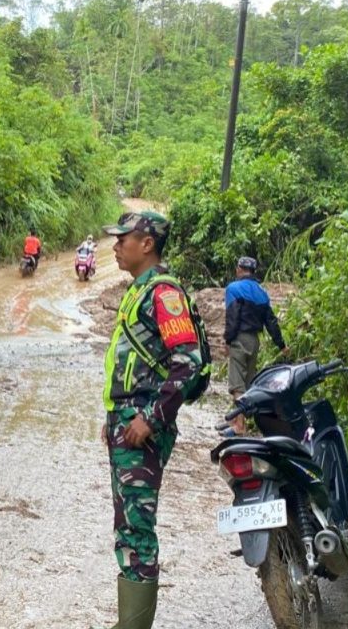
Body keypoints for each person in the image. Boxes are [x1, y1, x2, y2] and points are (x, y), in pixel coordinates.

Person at [100, 210, 205, 629]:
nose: (115, 245)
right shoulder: (138, 291)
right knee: (127, 526)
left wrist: (149, 418)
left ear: (147, 243)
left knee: (137, 529)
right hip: (126, 421)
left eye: (123, 238)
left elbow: (188, 361)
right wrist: (116, 416)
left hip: (142, 427)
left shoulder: (163, 293)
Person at [223, 256, 288, 434]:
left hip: (239, 338)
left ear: (239, 269)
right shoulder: (261, 292)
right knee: (247, 382)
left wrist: (228, 340)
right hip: (254, 341)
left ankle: (239, 425)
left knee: (237, 384)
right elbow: (271, 322)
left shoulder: (233, 289)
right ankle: (237, 419)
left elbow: (232, 317)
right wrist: (281, 345)